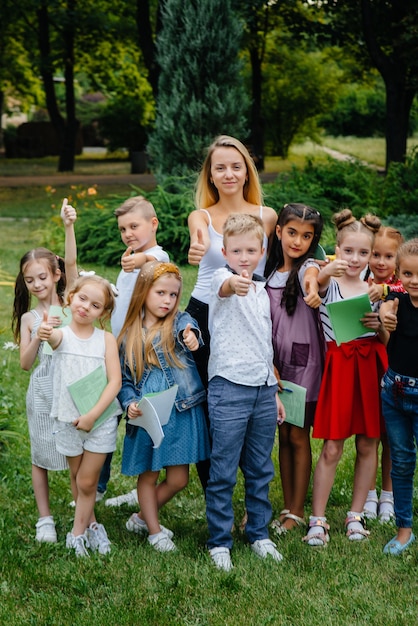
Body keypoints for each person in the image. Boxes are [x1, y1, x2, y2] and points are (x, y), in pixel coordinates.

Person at [186, 135, 277, 490]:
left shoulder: (265, 216)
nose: (228, 174)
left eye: (235, 167)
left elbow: (280, 262)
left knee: (251, 400)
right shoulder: (202, 215)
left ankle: (252, 490)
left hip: (250, 314)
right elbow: (198, 238)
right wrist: (197, 248)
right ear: (209, 175)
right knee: (208, 402)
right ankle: (215, 493)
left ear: (246, 173)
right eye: (219, 167)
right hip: (206, 314)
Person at [304, 208, 388, 547]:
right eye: (348, 251)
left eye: (363, 252)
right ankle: (318, 519)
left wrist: (379, 325)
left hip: (370, 366)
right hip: (340, 367)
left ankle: (356, 514)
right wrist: (325, 272)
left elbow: (385, 338)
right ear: (337, 250)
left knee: (369, 442)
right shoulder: (328, 282)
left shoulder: (374, 289)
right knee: (333, 446)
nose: (355, 258)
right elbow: (315, 283)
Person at [205, 214, 285, 572]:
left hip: (263, 390)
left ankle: (258, 533)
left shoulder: (263, 291)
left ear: (262, 252)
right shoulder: (219, 279)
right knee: (222, 469)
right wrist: (233, 283)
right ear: (224, 251)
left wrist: (274, 390)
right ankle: (219, 541)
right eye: (236, 250)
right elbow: (225, 288)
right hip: (229, 388)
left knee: (260, 468)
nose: (243, 256)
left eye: (250, 250)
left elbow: (263, 343)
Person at [117, 261, 210, 553]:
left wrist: (191, 335)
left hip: (181, 411)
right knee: (149, 473)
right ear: (144, 292)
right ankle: (155, 532)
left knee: (179, 478)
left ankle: (143, 517)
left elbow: (188, 325)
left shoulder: (178, 323)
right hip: (149, 414)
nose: (167, 301)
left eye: (172, 294)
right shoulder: (129, 335)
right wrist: (130, 403)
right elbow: (124, 380)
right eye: (160, 293)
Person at [37, 274, 121, 557]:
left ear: (103, 313)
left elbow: (115, 382)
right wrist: (47, 331)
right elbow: (55, 337)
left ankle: (76, 534)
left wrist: (93, 415)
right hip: (68, 418)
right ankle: (93, 525)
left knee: (87, 481)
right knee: (76, 475)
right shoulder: (63, 335)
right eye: (82, 298)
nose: (86, 307)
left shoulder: (106, 340)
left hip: (100, 418)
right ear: (71, 297)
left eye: (95, 305)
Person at [11, 200, 78, 543]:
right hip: (42, 390)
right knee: (40, 453)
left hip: (72, 388)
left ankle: (84, 513)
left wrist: (68, 227)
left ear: (56, 275)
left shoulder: (71, 303)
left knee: (73, 452)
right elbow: (24, 364)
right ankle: (45, 519)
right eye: (29, 280)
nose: (36, 284)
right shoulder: (28, 319)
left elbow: (73, 263)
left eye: (42, 277)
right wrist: (36, 338)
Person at [98, 195, 169, 507]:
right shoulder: (130, 259)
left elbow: (161, 266)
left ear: (153, 224)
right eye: (122, 229)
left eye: (134, 226)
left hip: (139, 356)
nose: (128, 233)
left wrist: (142, 261)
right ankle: (97, 485)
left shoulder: (153, 257)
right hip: (115, 352)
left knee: (140, 421)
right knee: (107, 419)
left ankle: (143, 486)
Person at [264, 203, 325, 535]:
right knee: (283, 435)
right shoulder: (270, 273)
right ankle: (288, 504)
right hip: (275, 366)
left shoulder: (307, 269)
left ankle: (297, 510)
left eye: (306, 236)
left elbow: (314, 275)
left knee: (298, 436)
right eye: (291, 233)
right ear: (278, 231)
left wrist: (314, 286)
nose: (298, 241)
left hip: (304, 366)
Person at [363, 226, 405, 523]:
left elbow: (391, 341)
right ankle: (366, 492)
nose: (380, 261)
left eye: (388, 256)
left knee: (391, 432)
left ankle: (388, 495)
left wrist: (381, 326)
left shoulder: (403, 290)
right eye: (375, 254)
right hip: (364, 364)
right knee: (368, 430)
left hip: (392, 365)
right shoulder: (359, 283)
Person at [379, 238, 418, 555]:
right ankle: (404, 530)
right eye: (407, 274)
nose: (414, 281)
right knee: (402, 462)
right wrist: (384, 318)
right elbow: (387, 311)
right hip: (394, 391)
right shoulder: (395, 301)